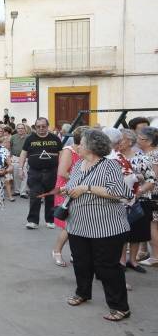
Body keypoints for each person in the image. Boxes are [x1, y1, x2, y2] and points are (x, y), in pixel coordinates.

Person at [62, 129, 132, 322]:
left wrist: (87, 188)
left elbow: (120, 193)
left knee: (107, 267)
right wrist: (67, 190)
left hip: (106, 227)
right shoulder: (77, 165)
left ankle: (120, 307)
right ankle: (82, 292)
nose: (78, 146)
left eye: (81, 143)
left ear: (92, 146)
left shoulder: (110, 166)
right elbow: (75, 186)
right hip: (78, 225)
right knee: (81, 262)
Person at [116, 129, 155, 273]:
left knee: (137, 233)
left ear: (130, 142)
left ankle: (132, 261)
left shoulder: (141, 158)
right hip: (119, 202)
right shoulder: (115, 158)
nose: (119, 142)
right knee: (122, 233)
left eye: (122, 139)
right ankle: (120, 261)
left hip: (140, 201)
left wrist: (137, 194)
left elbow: (151, 180)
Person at [48, 126, 86, 267]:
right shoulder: (68, 151)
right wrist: (82, 181)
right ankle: (57, 251)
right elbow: (62, 172)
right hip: (66, 190)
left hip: (79, 191)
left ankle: (74, 254)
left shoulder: (85, 152)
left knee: (77, 224)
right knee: (69, 225)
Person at [18, 118, 62, 229]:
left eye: (43, 126)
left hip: (52, 172)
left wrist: (61, 170)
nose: (41, 128)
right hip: (35, 172)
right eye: (38, 126)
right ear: (35, 127)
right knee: (34, 197)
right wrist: (20, 168)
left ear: (48, 126)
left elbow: (61, 155)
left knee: (50, 197)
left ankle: (50, 220)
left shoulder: (55, 138)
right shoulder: (30, 139)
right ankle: (33, 221)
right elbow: (23, 154)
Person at [136, 127, 158, 266]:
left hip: (152, 195)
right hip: (150, 194)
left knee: (152, 226)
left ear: (147, 141)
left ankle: (156, 257)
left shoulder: (153, 155)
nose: (137, 140)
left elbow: (154, 177)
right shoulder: (150, 153)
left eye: (139, 138)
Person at [10, 123, 29, 198]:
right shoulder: (13, 137)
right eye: (19, 128)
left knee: (24, 174)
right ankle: (17, 191)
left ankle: (23, 192)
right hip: (15, 158)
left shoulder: (28, 137)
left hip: (25, 158)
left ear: (25, 129)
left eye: (22, 128)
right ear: (16, 129)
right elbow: (10, 146)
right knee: (15, 174)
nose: (20, 129)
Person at [0, 125, 14, 201]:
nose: (7, 144)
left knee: (7, 182)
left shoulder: (6, 150)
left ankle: (10, 196)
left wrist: (8, 166)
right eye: (5, 143)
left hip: (5, 167)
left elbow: (9, 161)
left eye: (7, 143)